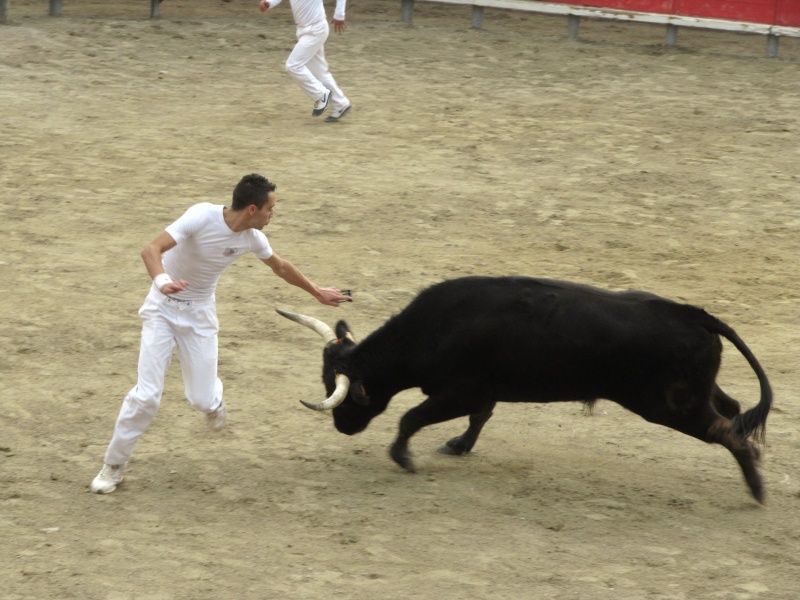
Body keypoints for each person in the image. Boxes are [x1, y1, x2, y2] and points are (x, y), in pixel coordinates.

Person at [90, 173, 352, 494]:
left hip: (200, 315)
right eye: (271, 209)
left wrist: (316, 292)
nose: (273, 215)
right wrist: (162, 282)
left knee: (201, 399)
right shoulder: (201, 215)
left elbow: (280, 266)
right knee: (146, 396)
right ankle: (114, 465)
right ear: (253, 209)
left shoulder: (253, 238)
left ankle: (213, 398)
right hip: (161, 308)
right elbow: (151, 250)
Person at [259, 0, 352, 122]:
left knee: (293, 66)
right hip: (304, 30)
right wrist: (269, 3)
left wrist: (339, 15)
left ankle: (321, 95)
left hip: (316, 29)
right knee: (320, 73)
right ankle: (341, 104)